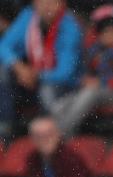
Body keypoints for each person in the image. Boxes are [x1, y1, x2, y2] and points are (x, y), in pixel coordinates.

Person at [0, 0, 83, 142]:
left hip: (61, 87)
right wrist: (19, 67)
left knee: (47, 90)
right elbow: (4, 46)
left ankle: (54, 138)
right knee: (3, 71)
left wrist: (37, 76)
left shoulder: (70, 27)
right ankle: (5, 129)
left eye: (52, 2)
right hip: (29, 82)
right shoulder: (28, 17)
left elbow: (66, 73)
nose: (46, 6)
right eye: (41, 2)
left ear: (61, 4)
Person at [54, 5, 113, 136]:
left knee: (90, 93)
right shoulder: (95, 51)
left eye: (112, 31)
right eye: (105, 33)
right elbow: (84, 75)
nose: (108, 36)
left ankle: (61, 134)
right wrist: (85, 80)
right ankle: (65, 134)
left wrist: (102, 82)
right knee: (59, 106)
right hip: (97, 92)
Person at [25, 115, 104, 177]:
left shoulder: (71, 159)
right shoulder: (33, 160)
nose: (45, 140)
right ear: (32, 138)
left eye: (49, 134)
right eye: (39, 136)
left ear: (58, 135)